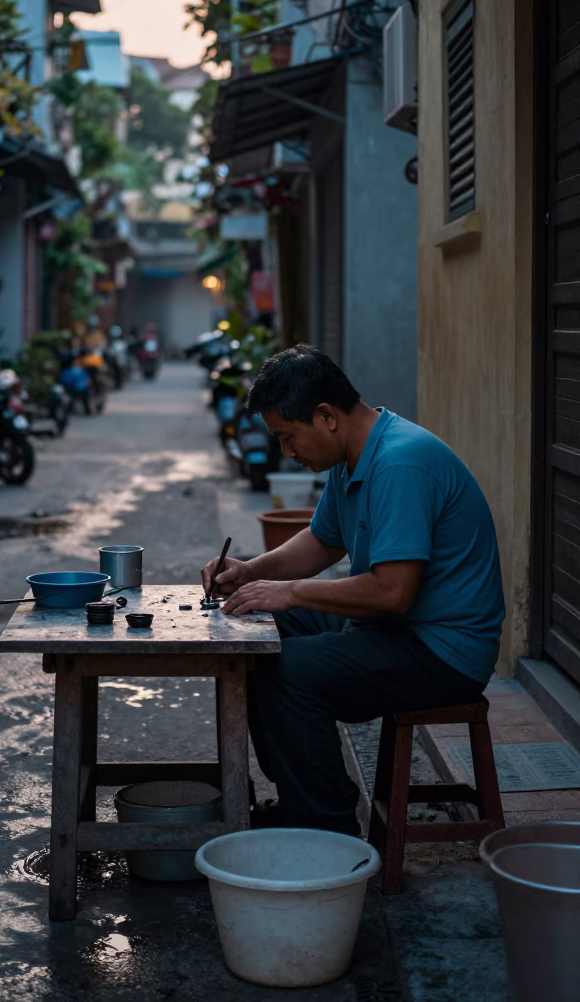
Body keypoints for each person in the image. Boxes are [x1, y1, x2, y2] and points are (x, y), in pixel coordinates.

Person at [201, 345, 505, 836]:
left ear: (326, 417)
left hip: (443, 649)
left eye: (288, 437)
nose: (287, 452)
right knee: (251, 632)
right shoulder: (353, 458)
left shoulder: (400, 464)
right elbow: (323, 540)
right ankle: (308, 795)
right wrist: (249, 571)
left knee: (287, 673)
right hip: (392, 628)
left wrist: (294, 592)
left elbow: (392, 593)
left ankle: (325, 826)